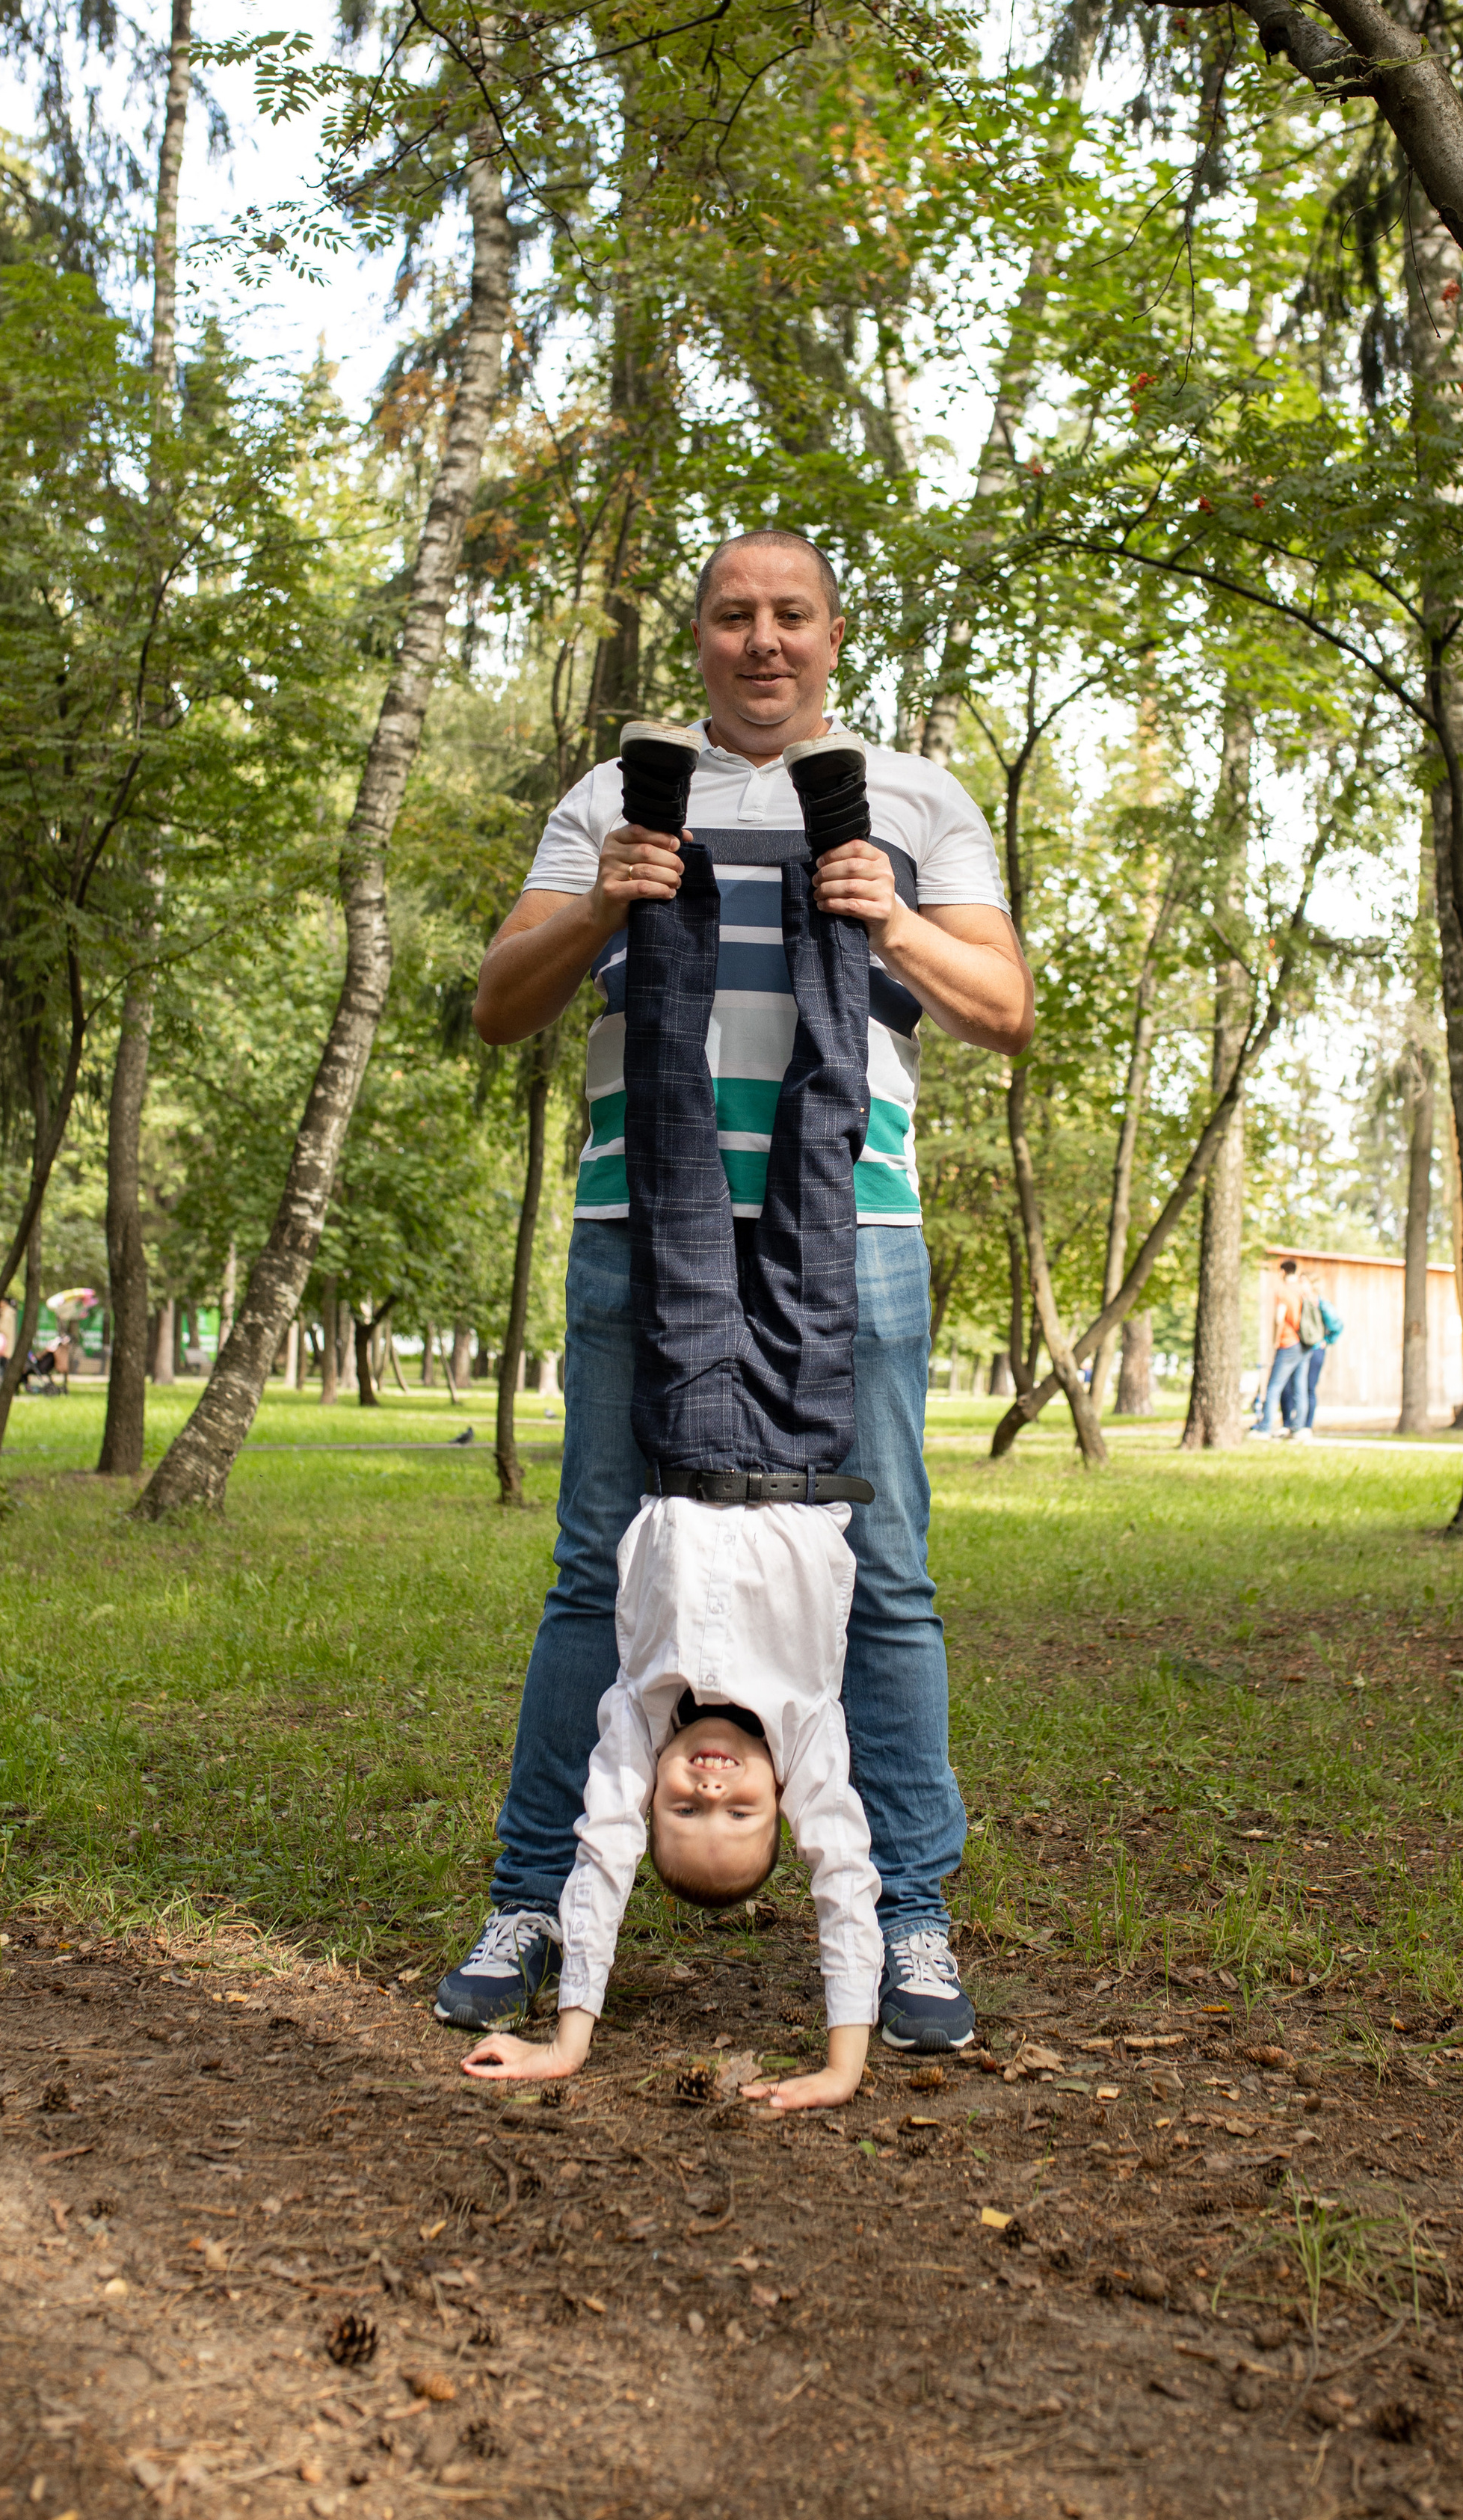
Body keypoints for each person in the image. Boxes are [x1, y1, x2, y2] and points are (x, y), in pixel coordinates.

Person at [433, 526, 1033, 2054]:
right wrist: (593, 907)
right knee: (594, 1570)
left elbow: (1005, 1010)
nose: (760, 642)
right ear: (695, 637)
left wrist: (889, 918)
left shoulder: (915, 800)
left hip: (857, 1232)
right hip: (639, 1219)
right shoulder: (604, 796)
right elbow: (500, 1007)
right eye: (730, 617)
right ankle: (526, 1899)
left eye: (789, 616)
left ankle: (907, 1918)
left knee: (882, 1576)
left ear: (833, 632)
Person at [458, 750, 882, 2113]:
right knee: (825, 1122)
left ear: (650, 1813)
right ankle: (836, 846)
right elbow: (851, 1896)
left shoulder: (639, 1726)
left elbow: (592, 1871)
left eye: (685, 1814)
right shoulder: (809, 1731)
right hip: (813, 1430)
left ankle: (659, 831)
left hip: (689, 1412)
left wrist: (571, 2036)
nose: (709, 1790)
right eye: (734, 1814)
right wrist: (837, 2064)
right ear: (777, 1809)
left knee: (676, 1134)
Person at [1251, 1259, 1307, 1436]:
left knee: (1274, 1386)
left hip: (1288, 1342)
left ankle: (1266, 1427)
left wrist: (1275, 1341)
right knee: (1300, 1387)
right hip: (1305, 1344)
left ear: (1282, 1272)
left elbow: (1278, 1318)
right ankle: (1298, 1428)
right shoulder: (1303, 1290)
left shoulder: (1283, 1291)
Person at [1290, 1288, 1343, 1439]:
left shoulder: (1322, 1305)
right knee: (1294, 1387)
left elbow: (1337, 1326)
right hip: (1300, 1349)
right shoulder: (1301, 1301)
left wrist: (1326, 1341)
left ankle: (1307, 1426)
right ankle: (1293, 1424)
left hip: (1315, 1349)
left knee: (1309, 1387)